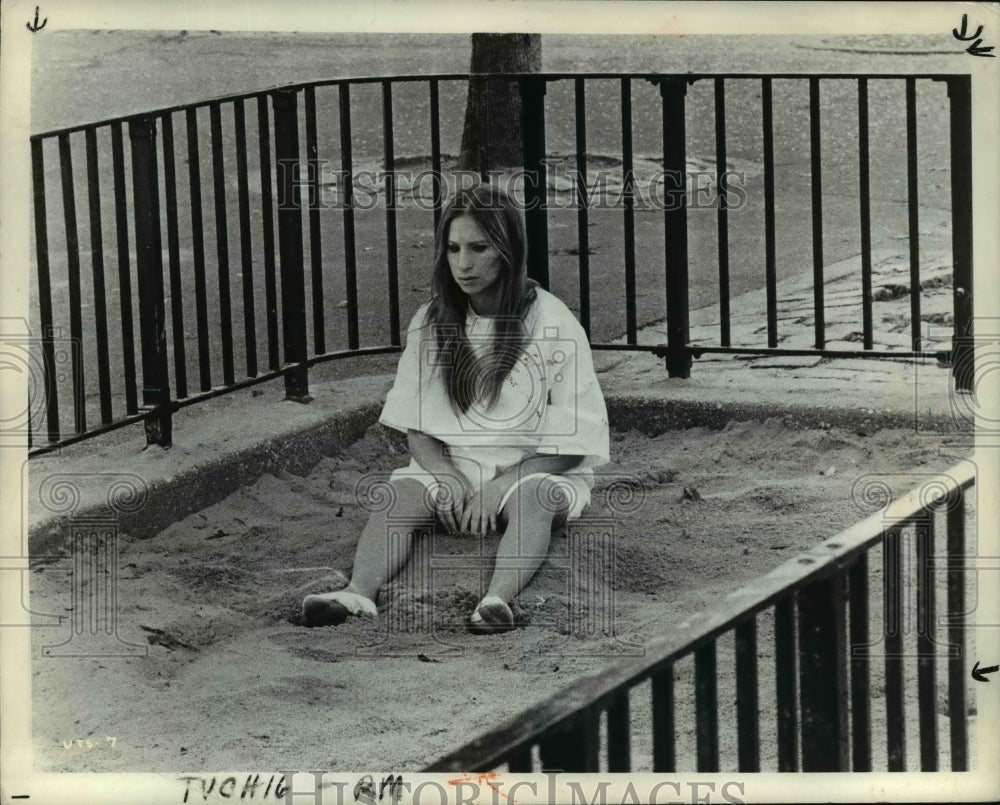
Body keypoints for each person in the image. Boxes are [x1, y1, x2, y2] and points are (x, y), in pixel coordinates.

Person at [302, 184, 609, 634]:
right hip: (454, 470)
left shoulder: (553, 320)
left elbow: (574, 443)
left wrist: (499, 486)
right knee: (397, 497)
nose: (463, 264)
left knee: (535, 499)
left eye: (479, 248)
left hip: (532, 470)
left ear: (507, 251)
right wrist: (446, 475)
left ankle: (496, 600)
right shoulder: (431, 321)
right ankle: (358, 594)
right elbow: (417, 429)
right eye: (453, 248)